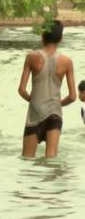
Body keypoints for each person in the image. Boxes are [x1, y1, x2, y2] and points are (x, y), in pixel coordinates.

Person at [18, 20, 76, 158]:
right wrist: (57, 103)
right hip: (55, 114)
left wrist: (34, 101)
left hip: (35, 114)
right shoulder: (67, 61)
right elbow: (73, 96)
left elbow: (21, 90)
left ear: (42, 36)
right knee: (51, 159)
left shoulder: (31, 57)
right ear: (60, 38)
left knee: (27, 159)